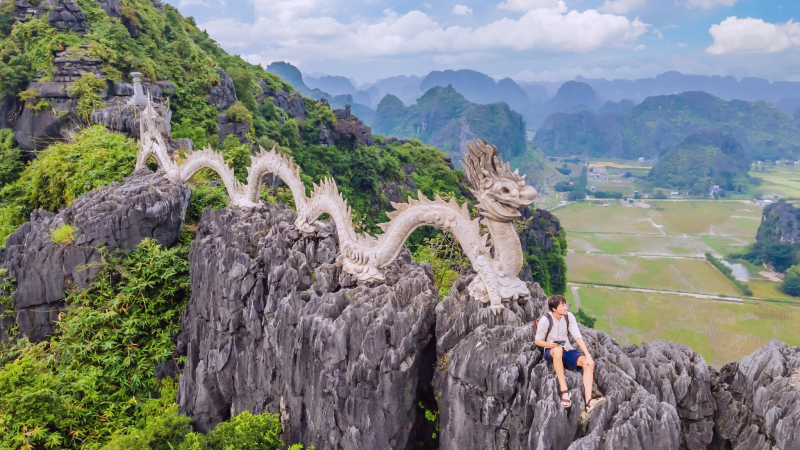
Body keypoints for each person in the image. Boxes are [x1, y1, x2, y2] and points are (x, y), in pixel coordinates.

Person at [534, 295, 605, 413]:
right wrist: (549, 344)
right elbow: (537, 341)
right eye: (562, 306)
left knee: (588, 364)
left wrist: (587, 355)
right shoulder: (545, 320)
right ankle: (564, 390)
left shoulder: (569, 317)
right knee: (557, 350)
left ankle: (589, 402)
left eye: (565, 305)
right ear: (554, 309)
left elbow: (577, 336)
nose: (566, 308)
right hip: (551, 350)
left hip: (567, 349)